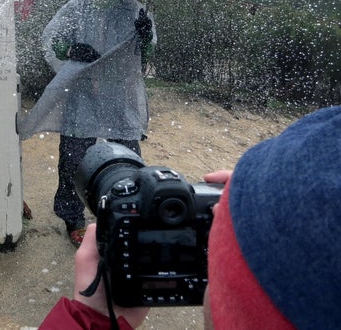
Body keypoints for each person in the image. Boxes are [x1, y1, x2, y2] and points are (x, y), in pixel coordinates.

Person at [39, 105, 341, 329]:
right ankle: (70, 215)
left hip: (122, 104)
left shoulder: (138, 17)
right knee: (74, 156)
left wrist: (90, 321)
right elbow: (53, 44)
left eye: (222, 252)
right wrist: (264, 202)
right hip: (81, 104)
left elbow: (147, 49)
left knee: (125, 177)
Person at [19, 0, 156, 247]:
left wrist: (145, 36)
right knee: (73, 157)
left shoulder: (134, 9)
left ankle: (124, 212)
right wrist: (71, 49)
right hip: (82, 94)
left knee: (127, 157)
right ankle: (72, 218)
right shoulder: (77, 6)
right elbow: (53, 39)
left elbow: (146, 55)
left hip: (120, 95)